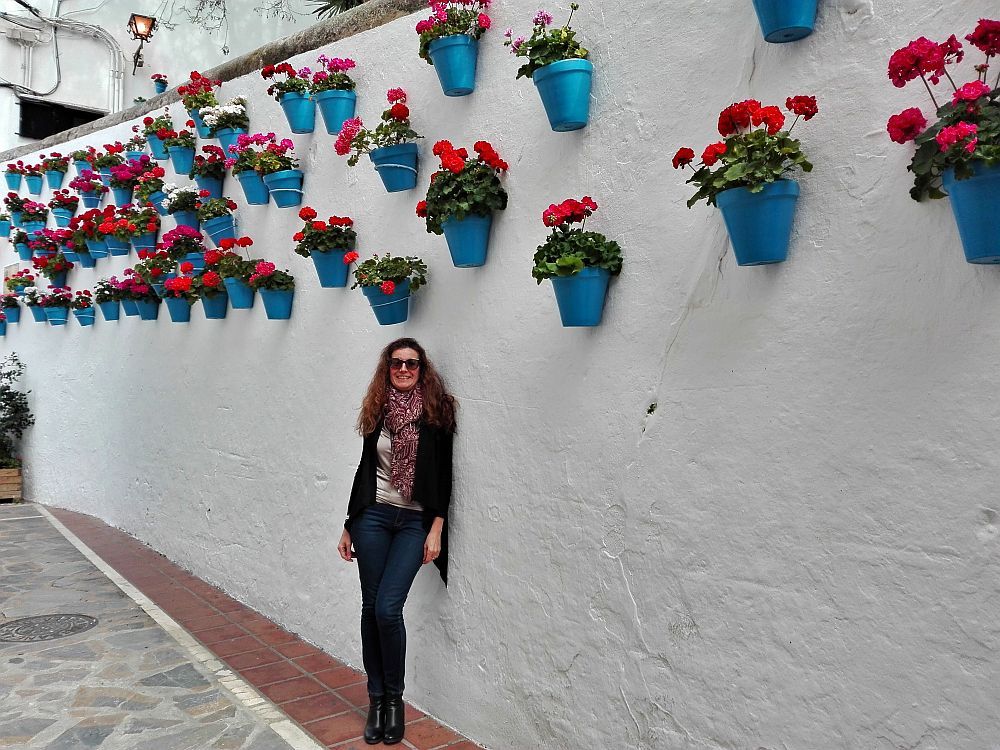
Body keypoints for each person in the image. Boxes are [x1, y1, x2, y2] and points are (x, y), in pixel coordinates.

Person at [338, 338, 456, 745]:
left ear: (423, 369)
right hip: (372, 517)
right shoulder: (377, 410)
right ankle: (377, 700)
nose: (404, 369)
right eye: (396, 364)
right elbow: (364, 468)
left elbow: (443, 475)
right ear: (386, 368)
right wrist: (349, 522)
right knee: (371, 607)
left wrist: (437, 527)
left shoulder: (438, 413)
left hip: (413, 521)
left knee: (388, 608)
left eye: (412, 364)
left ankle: (395, 700)